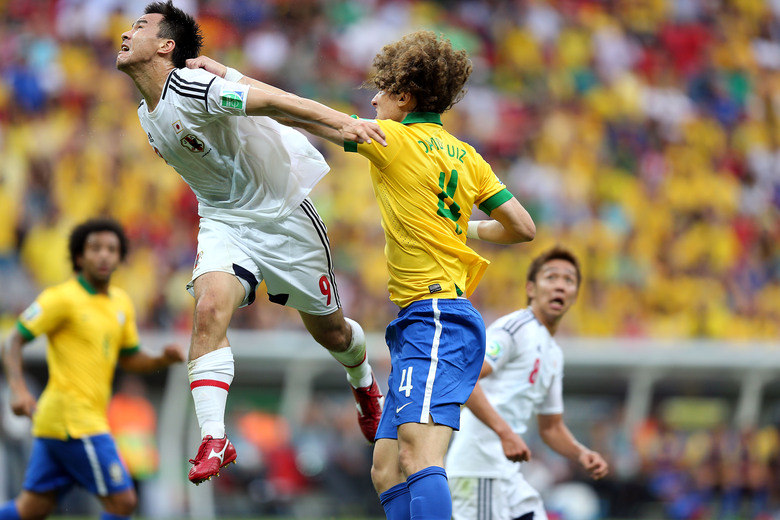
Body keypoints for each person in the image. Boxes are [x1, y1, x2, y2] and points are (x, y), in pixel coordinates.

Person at [188, 32, 536, 519]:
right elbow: (522, 227)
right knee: (386, 469)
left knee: (418, 456)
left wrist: (230, 77)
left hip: (436, 317)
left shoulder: (393, 140)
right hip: (428, 317)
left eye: (385, 89)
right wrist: (466, 228)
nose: (374, 99)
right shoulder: (467, 155)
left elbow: (298, 113)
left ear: (406, 96)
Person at [115, 1, 387, 484]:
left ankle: (364, 383)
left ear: (166, 45)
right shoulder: (145, 115)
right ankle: (215, 436)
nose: (125, 33)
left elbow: (274, 104)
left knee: (334, 334)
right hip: (223, 220)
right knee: (208, 308)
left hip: (282, 219)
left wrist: (342, 124)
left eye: (140, 26)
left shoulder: (195, 88)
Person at [0, 218, 186, 520]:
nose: (103, 255)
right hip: (75, 421)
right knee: (123, 502)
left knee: (30, 510)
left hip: (64, 423)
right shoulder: (61, 298)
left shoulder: (122, 303)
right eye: (95, 248)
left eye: (112, 249)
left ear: (120, 258)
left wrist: (160, 360)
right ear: (79, 256)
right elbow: (13, 339)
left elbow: (129, 357)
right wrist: (19, 390)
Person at [445, 247, 609, 520]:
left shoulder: (553, 353)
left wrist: (582, 454)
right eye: (551, 277)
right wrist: (505, 433)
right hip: (480, 470)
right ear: (531, 288)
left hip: (507, 475)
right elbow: (465, 377)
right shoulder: (516, 329)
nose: (560, 285)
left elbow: (552, 427)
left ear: (575, 294)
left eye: (568, 280)